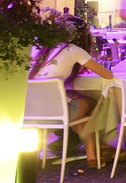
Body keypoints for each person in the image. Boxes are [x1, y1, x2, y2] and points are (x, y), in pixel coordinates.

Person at [30, 37, 114, 167]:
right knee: (92, 103)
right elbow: (108, 75)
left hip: (30, 114)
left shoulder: (40, 49)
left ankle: (94, 153)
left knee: (82, 112)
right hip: (57, 116)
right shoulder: (73, 49)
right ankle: (95, 152)